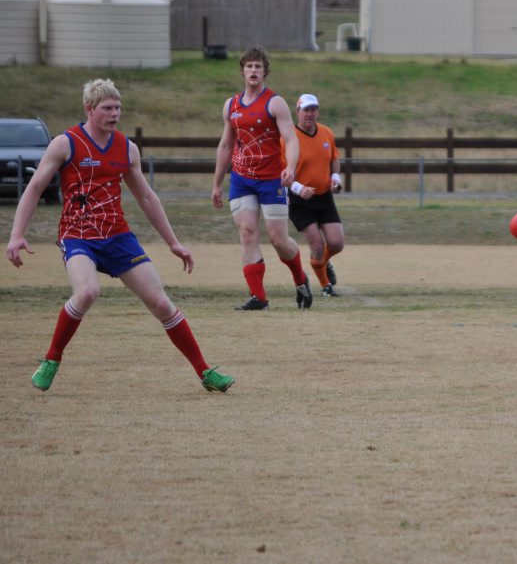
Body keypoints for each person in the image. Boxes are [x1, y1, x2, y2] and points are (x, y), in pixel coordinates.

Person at [5, 79, 235, 393]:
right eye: (108, 108)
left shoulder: (127, 148)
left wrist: (174, 243)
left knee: (162, 303)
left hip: (118, 236)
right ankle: (51, 359)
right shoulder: (66, 143)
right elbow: (34, 188)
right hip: (78, 236)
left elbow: (147, 198)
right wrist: (16, 234)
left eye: (118, 107)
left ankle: (205, 371)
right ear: (89, 109)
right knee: (87, 292)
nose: (115, 113)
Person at [212, 46, 313, 310]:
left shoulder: (274, 103)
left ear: (264, 72)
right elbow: (225, 145)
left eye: (258, 66)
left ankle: (301, 280)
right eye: (249, 66)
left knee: (278, 239)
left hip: (272, 180)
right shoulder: (231, 106)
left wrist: (290, 168)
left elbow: (291, 139)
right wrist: (216, 184)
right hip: (241, 179)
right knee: (247, 233)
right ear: (243, 71)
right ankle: (259, 298)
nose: (254, 71)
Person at [285, 93, 345, 297]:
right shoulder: (288, 137)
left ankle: (323, 263)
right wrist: (298, 188)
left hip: (324, 197)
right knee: (317, 244)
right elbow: (279, 170)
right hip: (299, 200)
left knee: (337, 243)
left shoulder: (326, 132)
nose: (310, 114)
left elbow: (334, 159)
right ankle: (325, 285)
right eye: (306, 110)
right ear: (297, 112)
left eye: (313, 109)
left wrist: (335, 178)